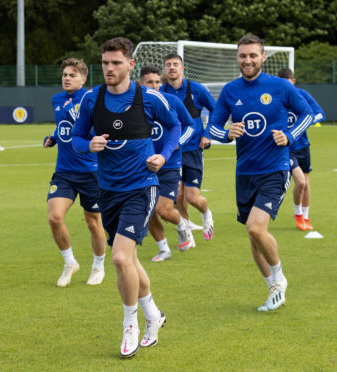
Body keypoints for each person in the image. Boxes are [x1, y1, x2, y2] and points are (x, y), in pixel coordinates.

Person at [71, 37, 180, 358]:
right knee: (128, 261)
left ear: (130, 64)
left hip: (141, 187)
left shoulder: (149, 97)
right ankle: (154, 315)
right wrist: (87, 145)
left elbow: (174, 128)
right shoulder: (92, 99)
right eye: (105, 63)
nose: (109, 68)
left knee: (119, 257)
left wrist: (163, 155)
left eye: (116, 63)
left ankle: (130, 323)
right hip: (108, 190)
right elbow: (77, 137)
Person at [207, 35, 313, 311]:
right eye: (243, 55)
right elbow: (212, 128)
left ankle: (279, 278)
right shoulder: (230, 91)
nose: (248, 60)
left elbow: (307, 114)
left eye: (253, 55)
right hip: (245, 172)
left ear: (263, 57)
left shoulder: (279, 86)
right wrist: (227, 134)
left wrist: (289, 136)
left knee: (256, 227)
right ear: (237, 58)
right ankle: (272, 288)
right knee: (252, 234)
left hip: (275, 169)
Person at [44, 58, 107, 287]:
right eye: (64, 75)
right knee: (54, 217)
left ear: (83, 79)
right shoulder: (57, 99)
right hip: (64, 171)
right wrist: (53, 137)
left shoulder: (91, 99)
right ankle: (70, 262)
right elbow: (63, 126)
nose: (67, 78)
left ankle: (98, 265)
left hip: (91, 171)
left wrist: (75, 114)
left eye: (72, 75)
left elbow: (95, 129)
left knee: (93, 222)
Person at [139, 65, 197, 262]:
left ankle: (182, 224)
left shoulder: (172, 101)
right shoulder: (134, 104)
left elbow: (190, 125)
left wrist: (176, 144)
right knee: (146, 209)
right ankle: (163, 248)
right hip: (143, 165)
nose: (154, 86)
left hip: (170, 164)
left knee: (163, 209)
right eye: (150, 82)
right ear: (140, 83)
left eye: (157, 82)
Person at [161, 53, 216, 241]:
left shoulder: (197, 90)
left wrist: (207, 134)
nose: (171, 67)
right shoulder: (161, 91)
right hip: (171, 152)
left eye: (175, 64)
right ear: (164, 69)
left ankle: (206, 214)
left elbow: (218, 112)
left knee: (192, 197)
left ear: (182, 68)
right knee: (177, 195)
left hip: (192, 150)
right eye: (168, 65)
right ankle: (187, 232)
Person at [277, 67, 326, 231]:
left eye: (289, 84)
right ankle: (298, 214)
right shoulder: (276, 97)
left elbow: (320, 114)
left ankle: (305, 216)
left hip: (303, 146)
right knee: (300, 181)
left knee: (306, 184)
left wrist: (304, 122)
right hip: (286, 147)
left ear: (294, 82)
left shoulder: (302, 95)